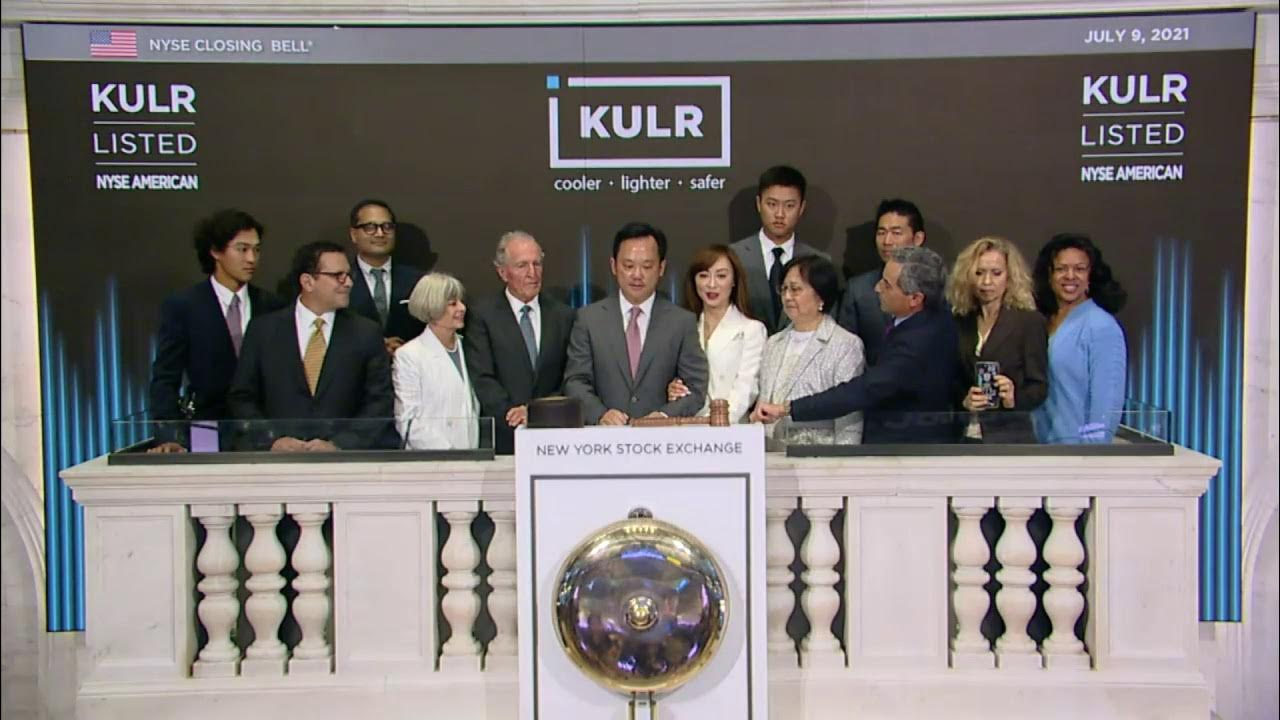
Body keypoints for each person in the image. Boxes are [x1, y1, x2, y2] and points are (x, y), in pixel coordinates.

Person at [753, 246, 958, 444]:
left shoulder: (920, 339)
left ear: (915, 298)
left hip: (907, 447)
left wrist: (789, 408)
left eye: (886, 285)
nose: (877, 288)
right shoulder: (916, 324)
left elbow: (866, 389)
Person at [227, 241, 396, 451]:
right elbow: (242, 398)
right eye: (338, 276)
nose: (348, 283)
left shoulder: (366, 332)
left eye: (348, 275)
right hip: (277, 460)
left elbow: (379, 402)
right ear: (308, 282)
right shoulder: (263, 330)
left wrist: (340, 444)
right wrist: (271, 441)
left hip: (343, 461)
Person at [147, 209, 285, 452]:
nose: (251, 258)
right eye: (242, 249)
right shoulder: (185, 306)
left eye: (256, 250)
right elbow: (166, 378)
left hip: (264, 431)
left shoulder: (272, 306)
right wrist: (169, 437)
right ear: (215, 251)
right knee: (206, 475)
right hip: (206, 427)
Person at [563, 222, 709, 425]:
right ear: (614, 266)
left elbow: (696, 387)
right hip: (604, 437)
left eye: (647, 266)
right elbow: (575, 381)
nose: (637, 275)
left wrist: (664, 415)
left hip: (662, 438)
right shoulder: (589, 319)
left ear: (661, 268)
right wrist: (600, 414)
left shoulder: (681, 322)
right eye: (628, 266)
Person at [464, 231, 575, 454]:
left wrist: (537, 412)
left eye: (537, 264)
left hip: (554, 438)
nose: (532, 273)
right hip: (504, 438)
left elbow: (570, 375)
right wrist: (514, 415)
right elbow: (483, 377)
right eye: (522, 265)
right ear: (503, 272)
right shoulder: (482, 315)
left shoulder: (563, 315)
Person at [753, 256, 864, 446]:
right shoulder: (774, 343)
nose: (787, 296)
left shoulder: (845, 345)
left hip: (819, 456)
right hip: (771, 452)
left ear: (820, 295)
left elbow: (849, 420)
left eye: (795, 289)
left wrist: (844, 460)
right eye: (784, 289)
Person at [947, 236, 1049, 443]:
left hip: (1009, 437)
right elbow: (951, 380)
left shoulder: (1028, 322)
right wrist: (964, 400)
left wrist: (1013, 397)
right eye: (979, 273)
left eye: (996, 273)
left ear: (1009, 276)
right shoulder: (959, 320)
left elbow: (1039, 387)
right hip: (964, 438)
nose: (986, 282)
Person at [1031, 233, 1128, 444]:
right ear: (1049, 275)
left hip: (1076, 453)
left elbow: (1106, 403)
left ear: (1090, 275)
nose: (1070, 276)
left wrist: (1090, 453)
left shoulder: (1102, 326)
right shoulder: (1040, 320)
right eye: (1061, 269)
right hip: (1037, 449)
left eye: (1080, 269)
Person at [666, 245, 767, 423]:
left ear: (734, 280)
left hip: (730, 428)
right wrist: (673, 390)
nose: (711, 284)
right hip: (687, 427)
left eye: (721, 276)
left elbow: (746, 388)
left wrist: (716, 421)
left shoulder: (752, 330)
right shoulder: (683, 327)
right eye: (703, 275)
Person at [729, 165, 830, 335]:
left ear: (801, 208)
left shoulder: (818, 261)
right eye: (772, 204)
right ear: (759, 204)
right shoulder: (733, 256)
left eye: (789, 206)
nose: (780, 214)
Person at [393, 273, 480, 449]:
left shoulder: (470, 347)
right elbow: (408, 421)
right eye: (453, 304)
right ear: (433, 307)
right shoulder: (409, 355)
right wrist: (449, 452)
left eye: (461, 302)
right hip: (433, 457)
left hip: (472, 454)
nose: (462, 308)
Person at [837, 199, 926, 365]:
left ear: (917, 238)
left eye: (896, 233)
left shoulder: (937, 288)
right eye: (881, 232)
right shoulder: (858, 289)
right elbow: (844, 350)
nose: (887, 241)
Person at [346, 199, 427, 355]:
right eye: (370, 227)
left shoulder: (419, 281)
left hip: (408, 364)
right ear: (353, 234)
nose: (380, 233)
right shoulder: (339, 279)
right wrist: (377, 345)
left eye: (387, 227)